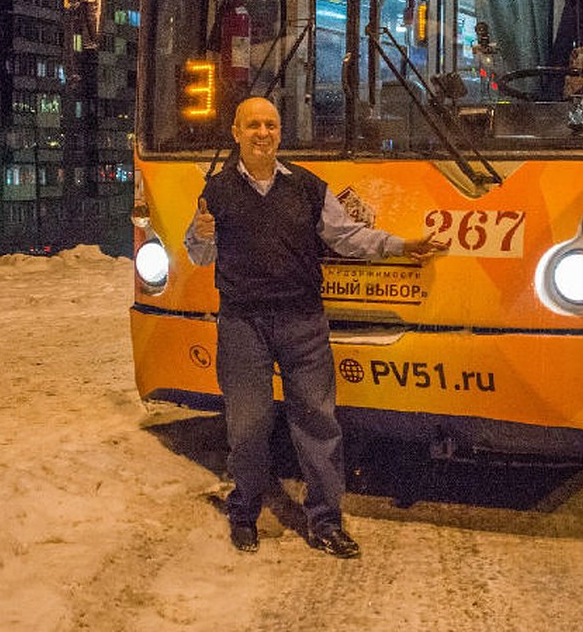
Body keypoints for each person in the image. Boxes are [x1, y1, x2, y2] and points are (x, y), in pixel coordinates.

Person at [184, 96, 446, 556]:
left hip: (303, 320)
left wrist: (402, 244)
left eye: (270, 125)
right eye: (253, 126)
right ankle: (243, 510)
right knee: (248, 424)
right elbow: (200, 255)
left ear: (280, 133)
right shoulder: (218, 191)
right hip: (243, 323)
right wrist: (200, 236)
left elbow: (348, 236)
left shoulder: (307, 187)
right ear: (237, 134)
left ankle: (326, 521)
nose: (263, 133)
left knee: (318, 422)